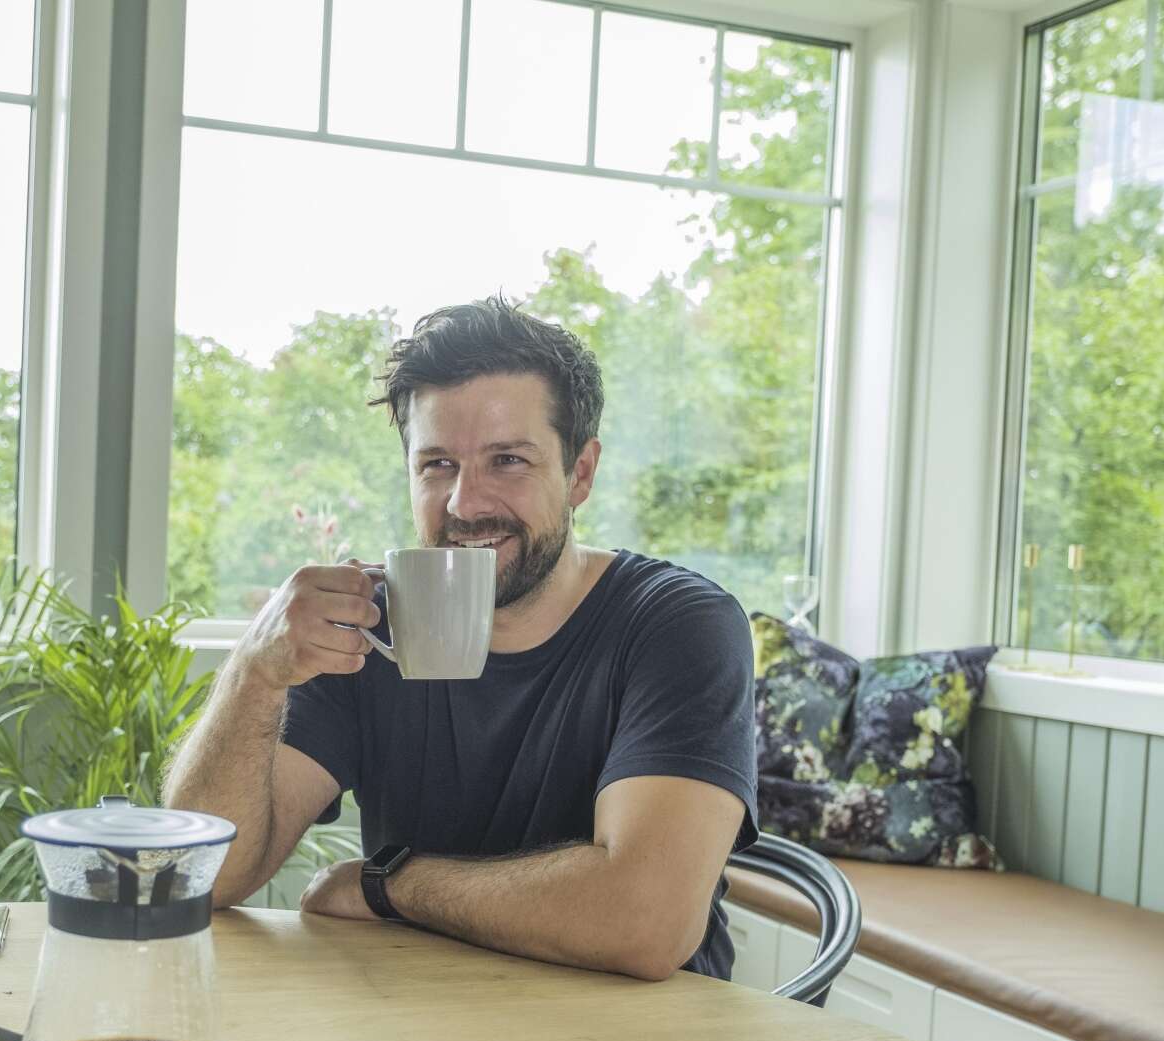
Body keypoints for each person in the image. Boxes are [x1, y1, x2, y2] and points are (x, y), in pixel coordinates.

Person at [163, 296, 758, 980]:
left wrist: (389, 885)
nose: (465, 504)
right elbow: (196, 876)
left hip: (647, 1038)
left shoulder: (678, 625)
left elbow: (645, 922)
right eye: (438, 464)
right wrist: (255, 670)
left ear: (580, 473)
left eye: (507, 460)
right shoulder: (367, 629)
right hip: (425, 1023)